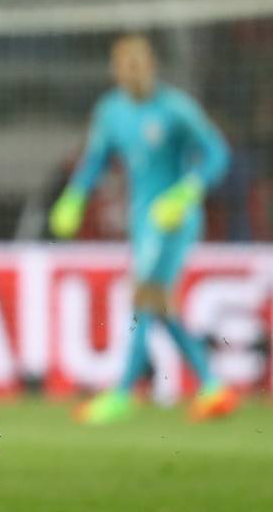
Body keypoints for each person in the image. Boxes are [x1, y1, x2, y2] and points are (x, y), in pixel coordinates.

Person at [48, 34, 237, 425]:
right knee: (160, 305)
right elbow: (95, 159)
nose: (133, 72)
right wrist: (74, 196)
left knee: (143, 296)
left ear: (151, 66)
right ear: (116, 71)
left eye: (139, 63)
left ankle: (122, 393)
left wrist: (187, 191)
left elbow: (217, 152)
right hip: (142, 219)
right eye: (125, 65)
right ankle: (212, 386)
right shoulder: (111, 111)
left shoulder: (175, 109)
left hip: (173, 218)